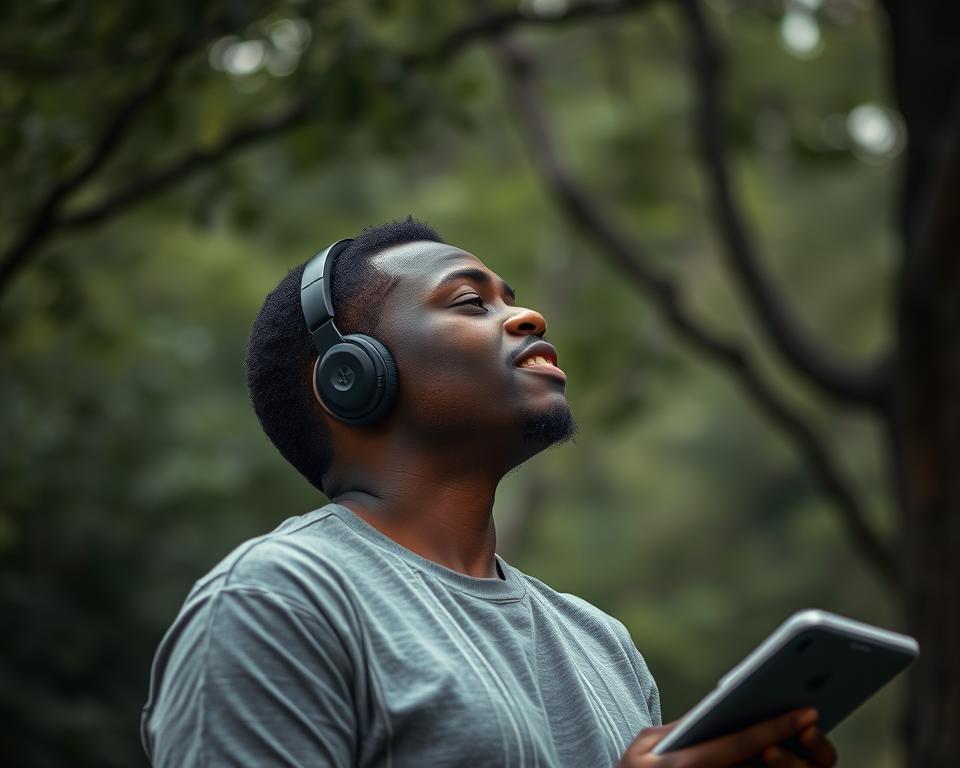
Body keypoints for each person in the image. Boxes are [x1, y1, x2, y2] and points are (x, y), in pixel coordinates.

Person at [141, 217, 837, 767]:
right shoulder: (280, 601)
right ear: (351, 377)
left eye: (513, 297)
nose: (529, 316)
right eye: (471, 302)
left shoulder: (602, 645)